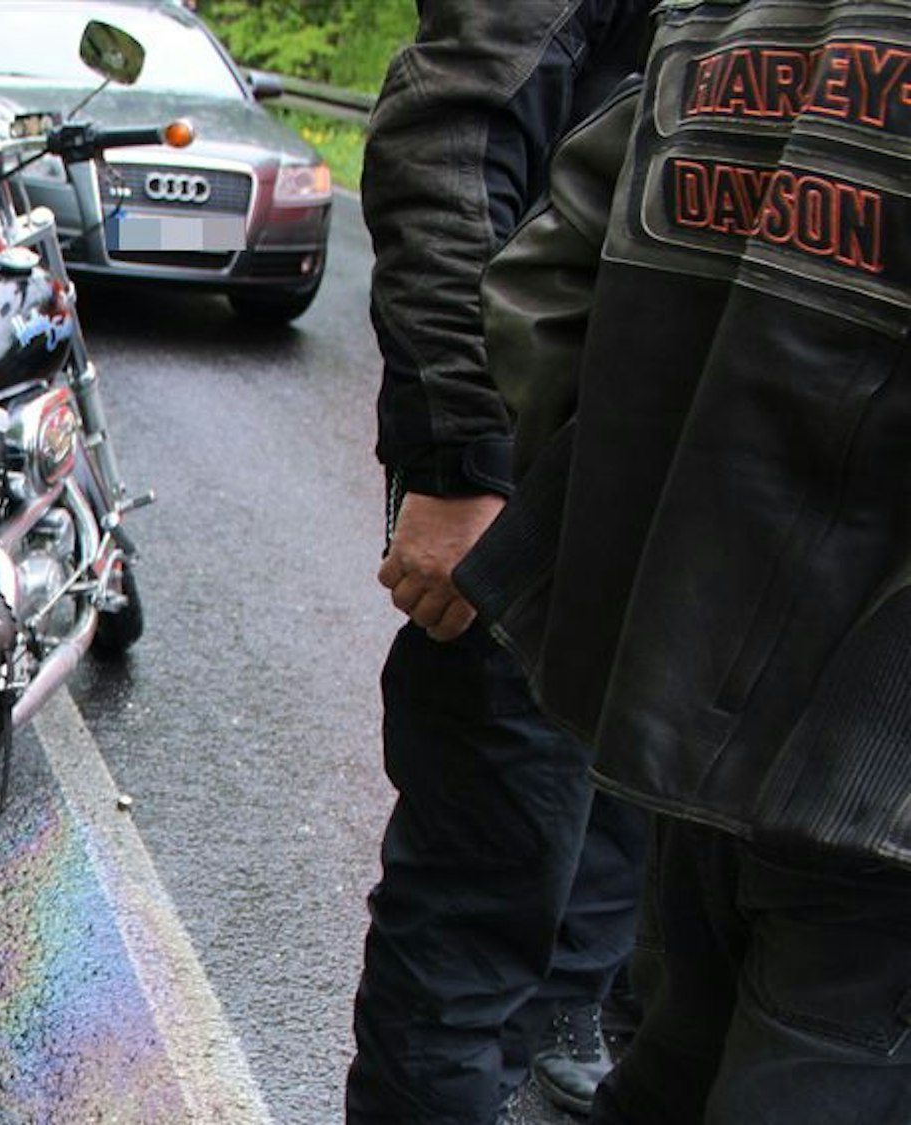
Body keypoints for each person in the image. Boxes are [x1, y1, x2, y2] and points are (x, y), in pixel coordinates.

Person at [457, 1, 911, 1120]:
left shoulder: (727, 19)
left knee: (669, 1063)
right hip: (874, 789)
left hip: (693, 704)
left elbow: (541, 293)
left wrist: (641, 557)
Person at [349, 2, 657, 1121]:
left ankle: (549, 1046)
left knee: (610, 892)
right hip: (532, 495)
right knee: (477, 907)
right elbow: (447, 129)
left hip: (683, 519)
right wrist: (458, 459)